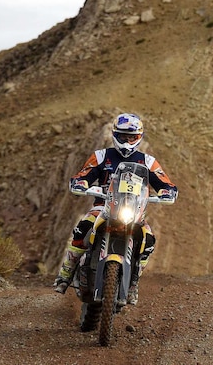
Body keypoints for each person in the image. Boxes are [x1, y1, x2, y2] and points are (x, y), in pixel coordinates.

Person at [52, 112, 177, 305]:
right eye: (123, 136)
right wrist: (80, 183)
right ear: (114, 135)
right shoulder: (101, 156)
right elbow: (83, 175)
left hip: (134, 211)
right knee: (83, 227)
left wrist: (168, 191)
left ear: (139, 137)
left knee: (149, 240)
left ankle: (134, 283)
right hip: (103, 207)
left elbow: (165, 182)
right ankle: (65, 274)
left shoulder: (148, 162)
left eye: (132, 137)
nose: (127, 141)